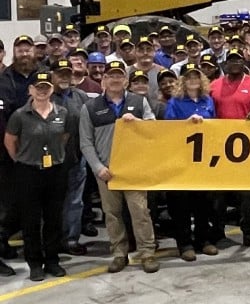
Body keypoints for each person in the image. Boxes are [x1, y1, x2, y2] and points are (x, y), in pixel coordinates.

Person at [79, 61, 160, 273]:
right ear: (103, 79)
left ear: (126, 80)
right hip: (107, 171)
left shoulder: (139, 101)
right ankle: (118, 253)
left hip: (134, 169)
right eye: (110, 75)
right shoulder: (90, 107)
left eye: (119, 75)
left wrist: (138, 122)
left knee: (140, 211)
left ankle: (147, 253)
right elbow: (85, 142)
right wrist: (98, 168)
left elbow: (154, 130)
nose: (115, 79)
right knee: (112, 214)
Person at [3, 72, 69, 281]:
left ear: (51, 89)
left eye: (46, 87)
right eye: (38, 87)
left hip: (55, 171)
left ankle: (52, 260)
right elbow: (10, 141)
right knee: (30, 220)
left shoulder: (63, 113)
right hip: (28, 171)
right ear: (30, 90)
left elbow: (64, 137)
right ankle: (35, 263)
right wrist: (23, 159)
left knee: (53, 218)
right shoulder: (20, 115)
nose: (42, 91)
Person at [209, 49, 250, 246]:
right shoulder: (214, 85)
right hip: (219, 147)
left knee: (248, 194)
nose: (234, 63)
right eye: (230, 60)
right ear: (225, 64)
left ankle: (249, 231)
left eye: (237, 59)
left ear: (243, 62)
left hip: (247, 148)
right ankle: (217, 230)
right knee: (218, 193)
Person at [162, 63, 219, 261]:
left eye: (196, 76)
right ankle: (184, 242)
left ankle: (204, 240)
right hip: (181, 160)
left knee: (203, 202)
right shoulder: (175, 102)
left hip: (203, 160)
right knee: (182, 204)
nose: (193, 80)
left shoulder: (208, 100)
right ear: (183, 80)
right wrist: (187, 124)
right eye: (189, 77)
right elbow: (169, 130)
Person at [50, 60, 88, 256]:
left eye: (68, 73)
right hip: (50, 162)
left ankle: (71, 239)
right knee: (51, 202)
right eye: (60, 73)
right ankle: (51, 239)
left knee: (75, 201)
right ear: (52, 75)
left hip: (76, 159)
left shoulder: (80, 96)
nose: (64, 77)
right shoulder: (44, 96)